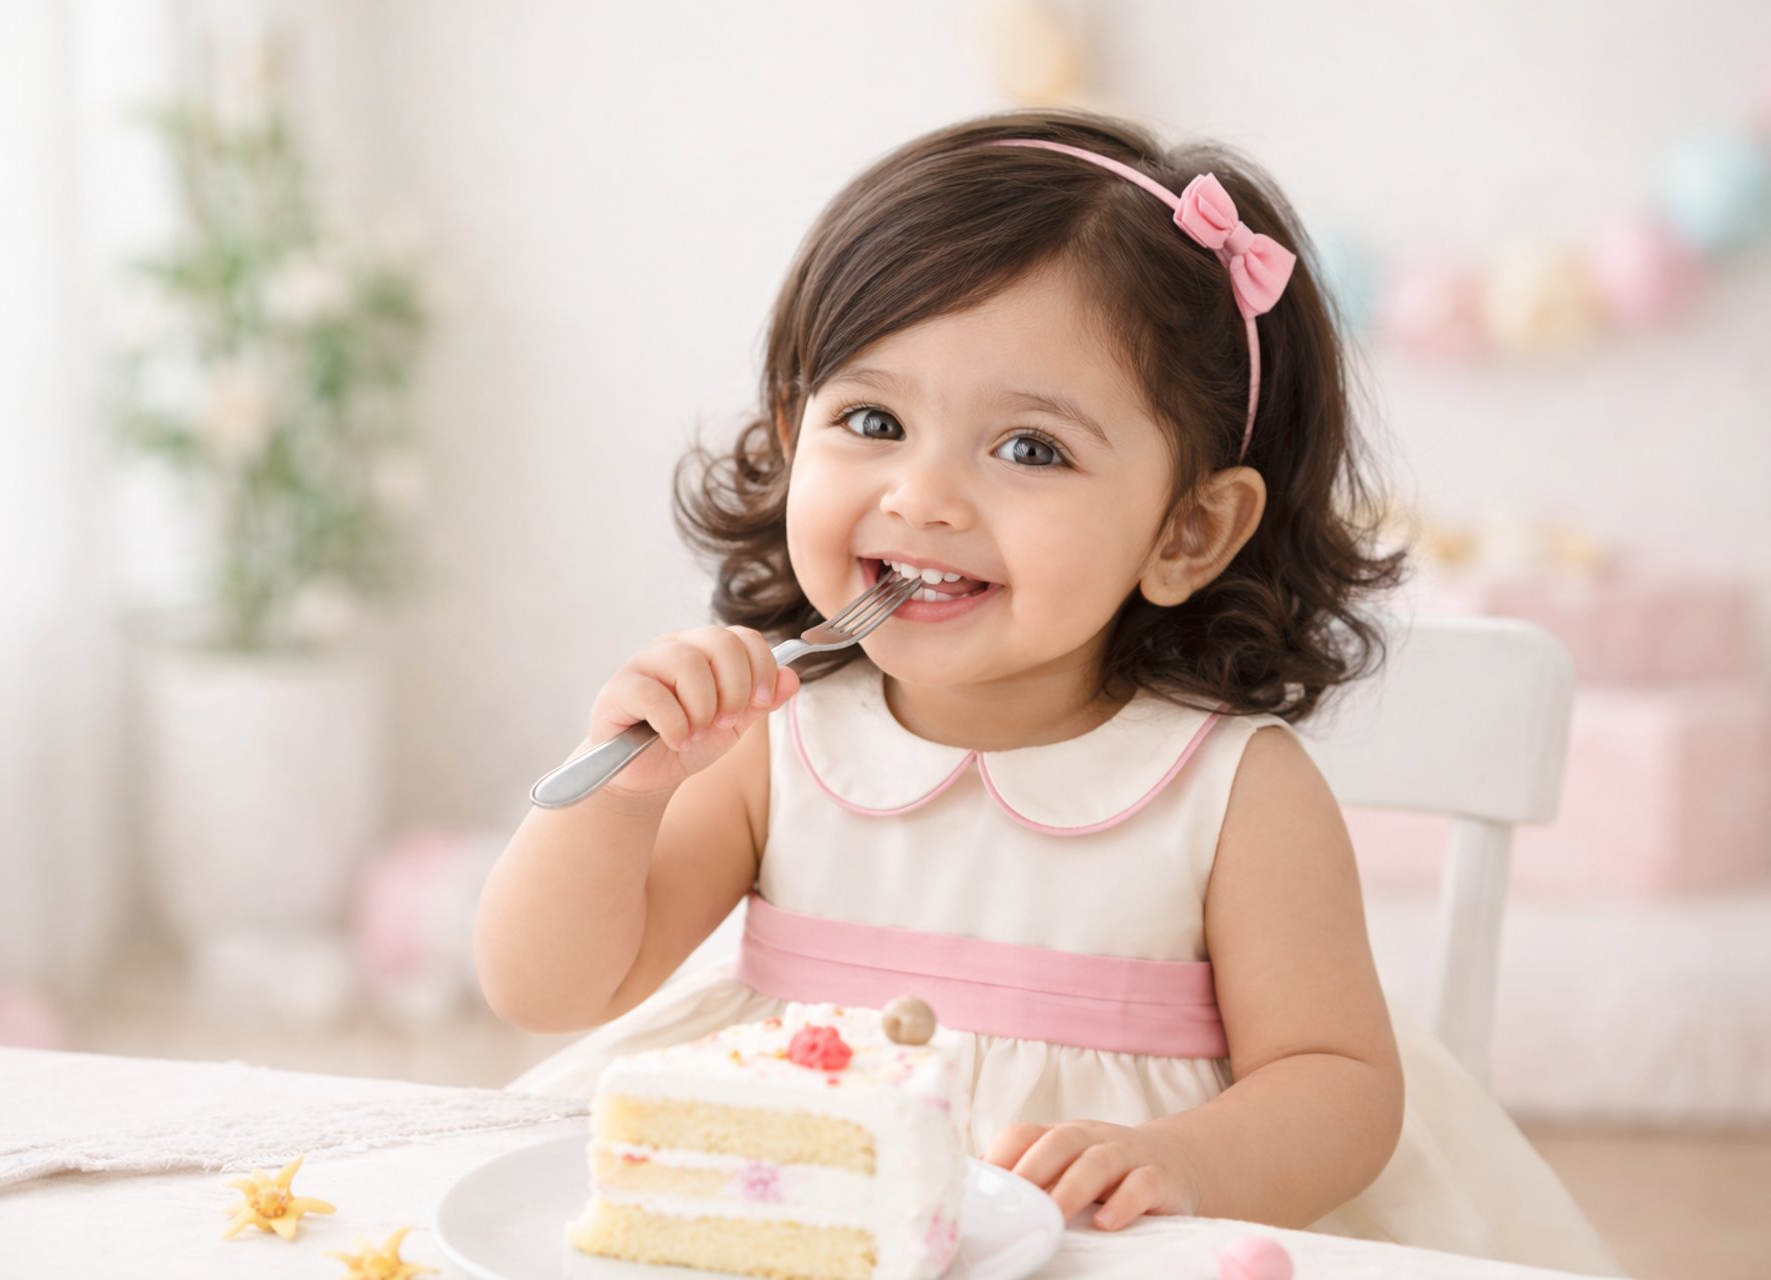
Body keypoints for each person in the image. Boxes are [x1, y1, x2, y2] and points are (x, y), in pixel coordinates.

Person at [475, 107, 1622, 1274]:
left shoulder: (1234, 791)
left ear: (1188, 527)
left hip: (1103, 1246)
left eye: (1030, 449)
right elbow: (547, 986)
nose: (923, 496)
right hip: (792, 1211)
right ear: (793, 434)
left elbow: (1339, 1084)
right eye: (873, 420)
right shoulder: (777, 736)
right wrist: (625, 793)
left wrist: (1184, 1161)